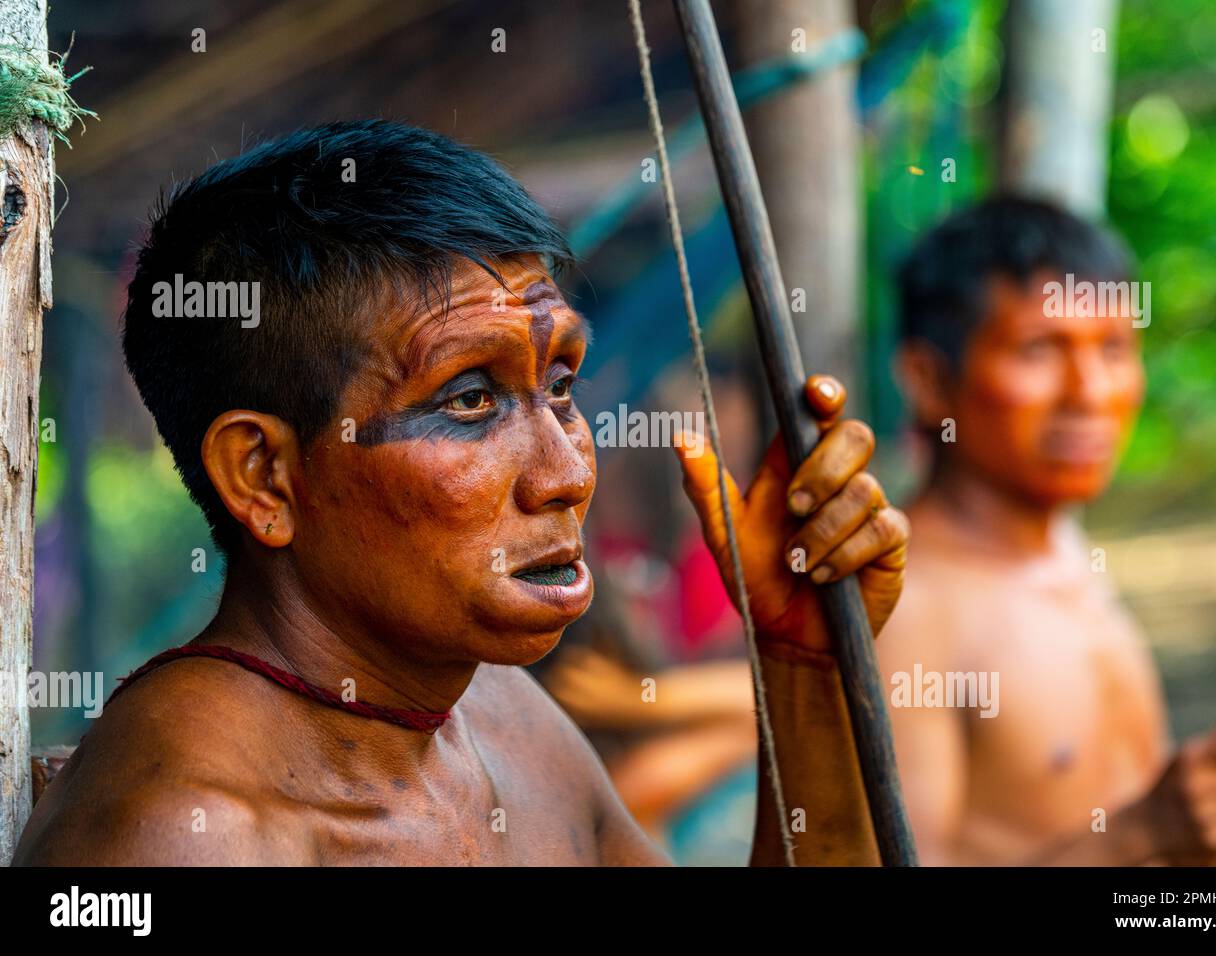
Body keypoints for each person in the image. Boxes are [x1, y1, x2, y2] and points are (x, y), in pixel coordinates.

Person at [14, 120, 908, 866]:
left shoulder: (500, 715)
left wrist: (805, 668)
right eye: (469, 401)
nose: (566, 473)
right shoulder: (182, 838)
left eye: (560, 385)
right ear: (264, 476)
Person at [881, 196, 1216, 865]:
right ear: (928, 379)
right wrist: (1140, 834)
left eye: (1114, 348)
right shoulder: (904, 607)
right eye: (1039, 349)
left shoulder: (1060, 544)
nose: (1091, 392)